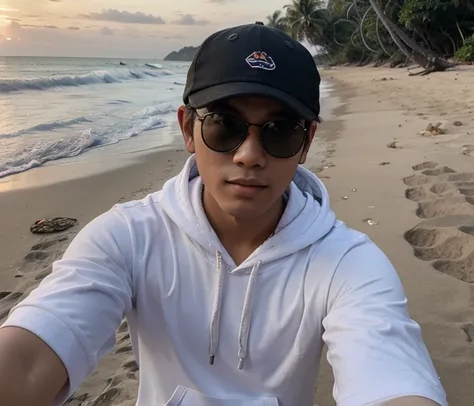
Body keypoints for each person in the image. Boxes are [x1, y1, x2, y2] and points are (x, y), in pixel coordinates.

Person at [0, 22, 447, 406]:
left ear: (307, 142)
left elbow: (389, 374)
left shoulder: (348, 263)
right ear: (187, 129)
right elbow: (30, 357)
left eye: (280, 131)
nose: (249, 155)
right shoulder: (127, 236)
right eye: (224, 124)